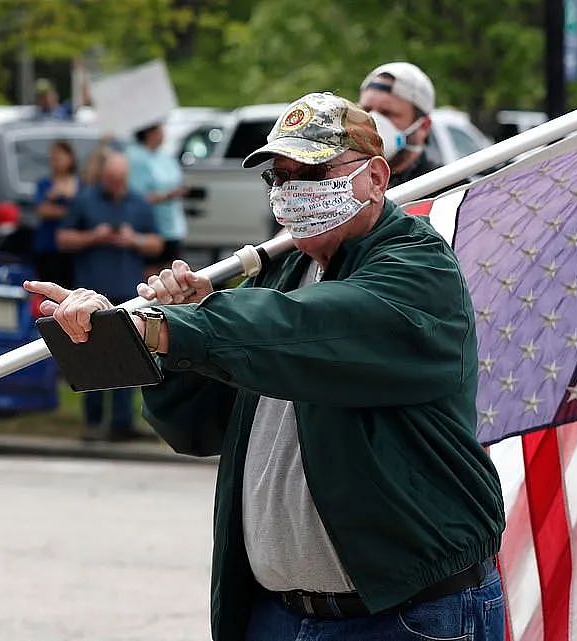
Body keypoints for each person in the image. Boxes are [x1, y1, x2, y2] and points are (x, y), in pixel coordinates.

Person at [25, 93, 505, 641]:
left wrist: (169, 326)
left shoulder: (418, 271)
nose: (292, 192)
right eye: (280, 177)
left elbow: (306, 329)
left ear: (375, 178)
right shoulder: (282, 273)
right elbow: (197, 426)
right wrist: (156, 342)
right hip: (275, 614)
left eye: (313, 172)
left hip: (403, 614)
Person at [56, 152, 164, 441]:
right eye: (112, 180)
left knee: (126, 358)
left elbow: (157, 243)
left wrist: (134, 240)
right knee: (91, 357)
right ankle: (92, 422)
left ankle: (122, 423)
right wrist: (95, 237)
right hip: (91, 292)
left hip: (127, 293)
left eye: (121, 180)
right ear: (104, 176)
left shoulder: (139, 203)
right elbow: (62, 239)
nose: (116, 185)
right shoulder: (85, 200)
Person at [358, 61, 440, 188]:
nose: (372, 121)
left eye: (387, 114)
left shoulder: (447, 190)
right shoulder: (342, 186)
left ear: (424, 126)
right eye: (366, 110)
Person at [127, 122, 188, 275]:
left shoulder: (166, 156)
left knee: (173, 272)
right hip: (150, 226)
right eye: (160, 130)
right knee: (152, 274)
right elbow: (135, 196)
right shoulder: (135, 157)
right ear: (149, 133)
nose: (164, 133)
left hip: (172, 226)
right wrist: (165, 196)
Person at [33, 141, 79, 286]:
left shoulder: (80, 184)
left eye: (59, 157)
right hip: (48, 244)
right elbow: (42, 210)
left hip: (73, 247)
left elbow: (83, 210)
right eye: (52, 158)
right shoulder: (45, 184)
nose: (55, 162)